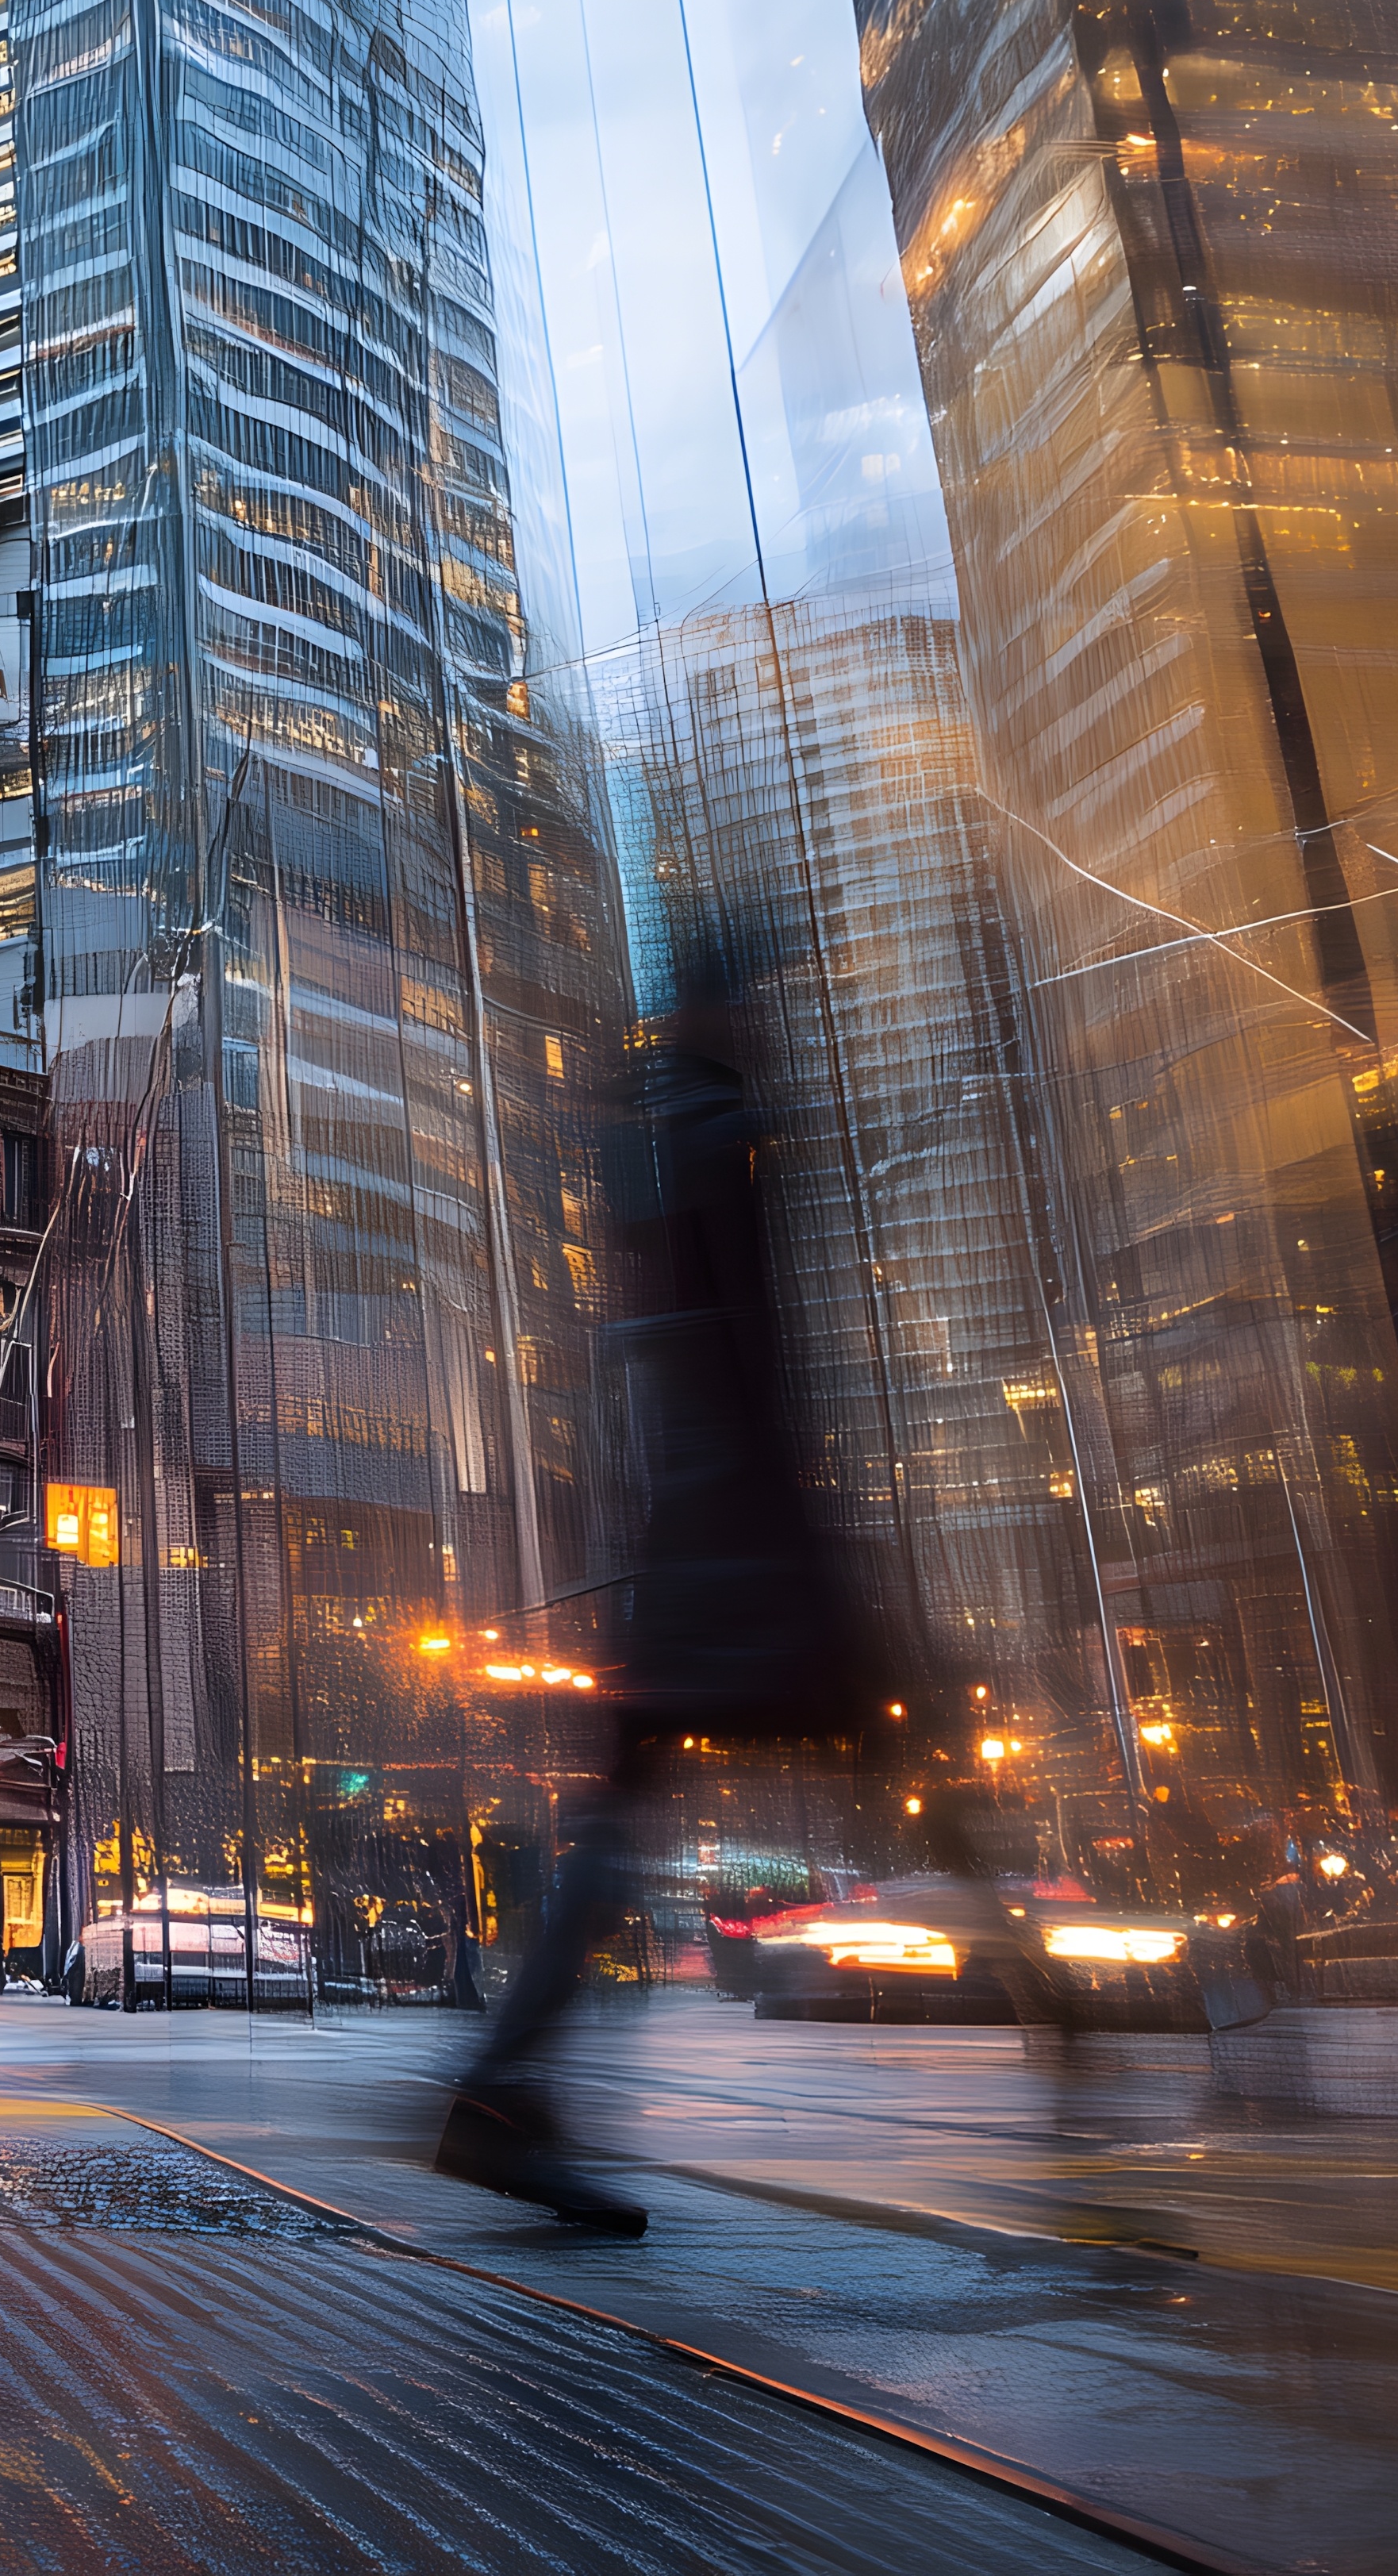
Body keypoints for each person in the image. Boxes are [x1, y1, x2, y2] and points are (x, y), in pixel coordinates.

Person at [435, 929, 893, 2232]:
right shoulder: (713, 1136)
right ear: (720, 1008)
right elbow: (746, 1350)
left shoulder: (652, 1129)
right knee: (919, 1770)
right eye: (754, 1001)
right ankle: (1088, 2094)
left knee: (621, 1813)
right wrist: (796, 1528)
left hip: (696, 1525)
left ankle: (504, 2087)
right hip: (734, 1533)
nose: (765, 1022)